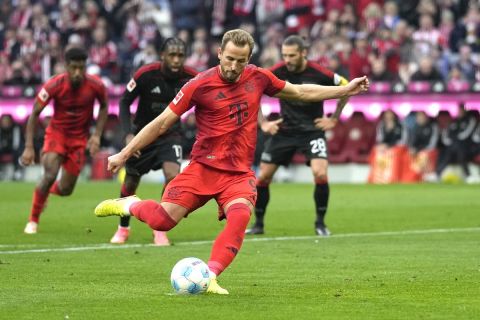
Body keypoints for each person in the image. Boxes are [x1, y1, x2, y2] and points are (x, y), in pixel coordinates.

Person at [94, 29, 369, 294]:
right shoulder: (198, 85)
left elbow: (299, 92)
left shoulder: (258, 77)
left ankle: (210, 276)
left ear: (248, 59)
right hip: (202, 168)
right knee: (162, 222)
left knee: (239, 217)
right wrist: (124, 153)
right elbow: (162, 122)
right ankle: (130, 204)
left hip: (237, 174)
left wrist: (344, 91)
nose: (234, 66)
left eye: (241, 60)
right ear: (219, 54)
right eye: (230, 58)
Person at [246, 35, 350, 237]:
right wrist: (263, 123)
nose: (287, 60)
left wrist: (334, 118)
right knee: (264, 176)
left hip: (312, 131)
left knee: (320, 173)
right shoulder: (276, 71)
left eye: (292, 55)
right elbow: (251, 91)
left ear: (303, 53)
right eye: (284, 55)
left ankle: (320, 223)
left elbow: (346, 87)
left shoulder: (319, 72)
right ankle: (258, 224)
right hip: (285, 130)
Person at [109, 37, 198, 246]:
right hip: (142, 136)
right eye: (172, 55)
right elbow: (124, 102)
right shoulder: (145, 74)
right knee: (131, 181)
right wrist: (128, 135)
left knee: (172, 176)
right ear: (162, 56)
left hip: (171, 135)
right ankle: (123, 227)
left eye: (180, 56)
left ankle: (159, 229)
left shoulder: (192, 77)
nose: (176, 60)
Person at [21, 47, 109, 234]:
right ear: (66, 66)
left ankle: (44, 192)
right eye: (73, 68)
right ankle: (33, 221)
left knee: (66, 189)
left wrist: (96, 135)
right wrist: (29, 147)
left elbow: (104, 107)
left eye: (81, 68)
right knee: (50, 173)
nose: (77, 73)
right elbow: (34, 113)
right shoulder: (54, 85)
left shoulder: (96, 85)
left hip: (79, 140)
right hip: (57, 135)